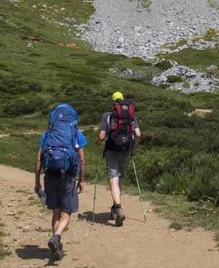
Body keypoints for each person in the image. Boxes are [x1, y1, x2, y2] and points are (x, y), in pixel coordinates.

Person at [35, 103, 86, 260]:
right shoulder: (76, 133)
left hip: (50, 176)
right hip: (68, 177)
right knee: (67, 213)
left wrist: (37, 181)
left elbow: (38, 159)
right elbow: (82, 159)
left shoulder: (47, 135)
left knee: (56, 212)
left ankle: (55, 246)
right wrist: (81, 180)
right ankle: (56, 236)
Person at [96, 91, 141, 226]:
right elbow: (138, 134)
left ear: (113, 102)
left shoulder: (107, 116)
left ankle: (119, 208)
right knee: (120, 180)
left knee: (113, 180)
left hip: (111, 150)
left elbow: (102, 135)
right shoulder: (132, 116)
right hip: (126, 151)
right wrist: (133, 149)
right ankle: (115, 207)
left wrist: (98, 141)